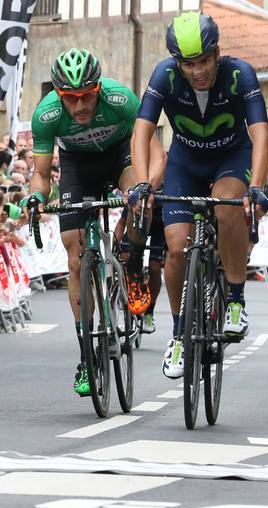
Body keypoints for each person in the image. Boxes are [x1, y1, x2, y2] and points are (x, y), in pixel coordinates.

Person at [128, 11, 268, 380]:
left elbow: (260, 135)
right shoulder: (165, 75)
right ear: (178, 62)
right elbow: (142, 133)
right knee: (175, 248)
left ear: (217, 53)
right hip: (186, 162)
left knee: (227, 210)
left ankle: (236, 301)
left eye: (205, 60)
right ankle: (178, 333)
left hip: (231, 157)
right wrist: (143, 182)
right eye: (189, 64)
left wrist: (256, 186)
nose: (199, 71)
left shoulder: (240, 74)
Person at [26, 48, 165, 397]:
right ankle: (87, 356)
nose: (81, 106)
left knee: (140, 200)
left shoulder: (120, 99)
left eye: (88, 96)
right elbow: (41, 175)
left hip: (121, 154)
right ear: (59, 97)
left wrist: (144, 189)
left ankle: (132, 264)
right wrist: (36, 198)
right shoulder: (46, 116)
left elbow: (155, 153)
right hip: (77, 168)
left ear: (98, 89)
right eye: (71, 99)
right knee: (75, 253)